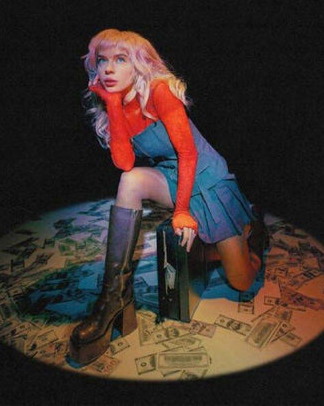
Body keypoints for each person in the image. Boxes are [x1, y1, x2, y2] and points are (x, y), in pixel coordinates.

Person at [69, 29, 269, 364]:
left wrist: (181, 211)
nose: (109, 68)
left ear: (138, 64)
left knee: (240, 280)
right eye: (102, 60)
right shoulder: (116, 102)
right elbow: (125, 162)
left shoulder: (159, 91)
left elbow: (188, 154)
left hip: (208, 179)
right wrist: (114, 106)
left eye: (120, 60)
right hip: (172, 176)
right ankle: (113, 298)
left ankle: (251, 234)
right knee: (130, 180)